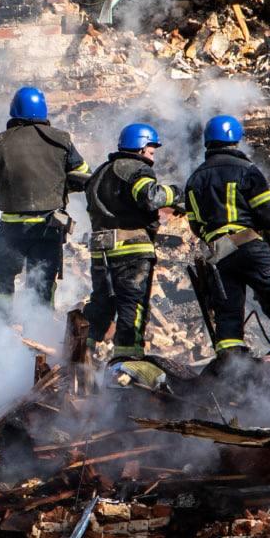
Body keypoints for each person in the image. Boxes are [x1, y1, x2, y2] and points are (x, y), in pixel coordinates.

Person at [183, 115, 270, 367]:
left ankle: (231, 363)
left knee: (228, 307)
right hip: (248, 245)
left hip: (217, 253)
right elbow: (268, 216)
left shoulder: (194, 179)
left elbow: (195, 225)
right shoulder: (247, 171)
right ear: (236, 140)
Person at [0, 87, 89, 308]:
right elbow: (83, 176)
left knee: (2, 276)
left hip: (13, 228)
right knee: (42, 280)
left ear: (14, 110)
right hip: (48, 227)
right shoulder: (62, 140)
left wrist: (11, 190)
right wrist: (60, 186)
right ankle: (39, 330)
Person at [82, 123, 182, 360]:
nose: (152, 156)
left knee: (101, 305)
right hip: (131, 250)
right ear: (139, 146)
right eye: (150, 150)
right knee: (132, 307)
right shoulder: (136, 169)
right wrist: (176, 192)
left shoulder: (101, 171)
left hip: (102, 250)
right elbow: (150, 198)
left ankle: (78, 357)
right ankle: (126, 367)